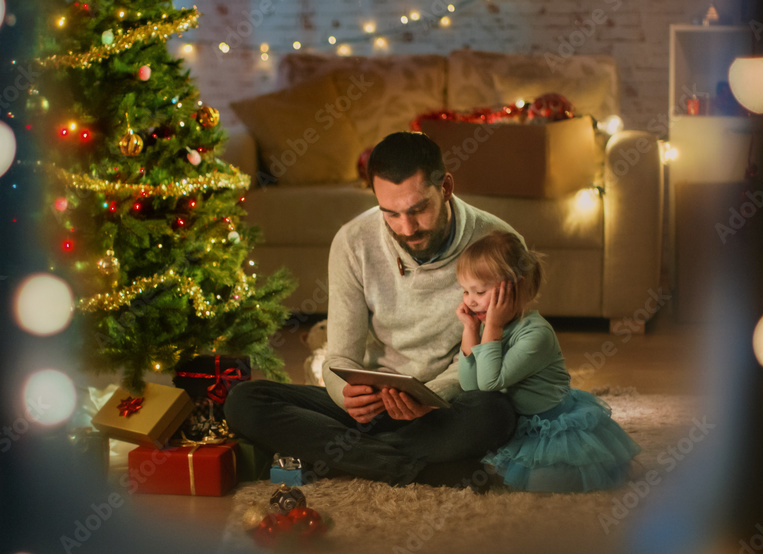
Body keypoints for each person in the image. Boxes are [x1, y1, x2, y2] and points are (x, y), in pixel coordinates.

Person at [225, 131, 518, 487]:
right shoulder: (353, 241)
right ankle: (421, 470)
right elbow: (340, 359)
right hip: (375, 407)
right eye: (391, 214)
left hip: (445, 407)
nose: (407, 228)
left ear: (446, 187)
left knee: (495, 414)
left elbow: (494, 355)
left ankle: (341, 459)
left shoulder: (496, 243)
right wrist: (346, 397)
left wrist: (432, 396)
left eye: (418, 210)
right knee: (244, 401)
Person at [456, 231, 641, 492]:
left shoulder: (536, 334)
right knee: (486, 469)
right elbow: (470, 387)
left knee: (546, 483)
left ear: (514, 288)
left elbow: (489, 383)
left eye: (479, 291)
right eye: (465, 291)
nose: (470, 300)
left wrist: (492, 327)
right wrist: (470, 331)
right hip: (514, 423)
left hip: (551, 425)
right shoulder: (488, 328)